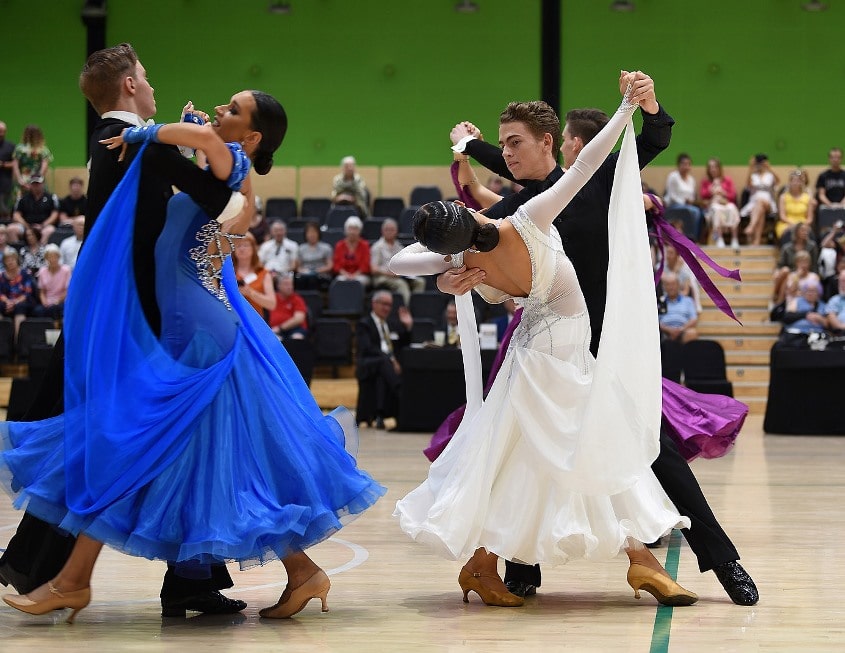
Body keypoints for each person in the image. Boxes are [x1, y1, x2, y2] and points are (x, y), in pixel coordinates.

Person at [0, 88, 385, 622]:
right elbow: (217, 187)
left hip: (195, 324)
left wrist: (140, 134)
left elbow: (203, 143)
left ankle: (72, 581)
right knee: (181, 451)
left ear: (251, 135)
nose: (219, 112)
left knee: (137, 437)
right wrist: (185, 147)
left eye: (233, 110)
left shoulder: (231, 157)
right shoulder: (225, 169)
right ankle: (300, 570)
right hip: (197, 318)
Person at [441, 72, 757, 606]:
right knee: (533, 450)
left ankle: (723, 560)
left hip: (609, 348)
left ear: (550, 144)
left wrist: (647, 101)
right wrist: (455, 274)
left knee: (655, 452)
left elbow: (653, 137)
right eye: (505, 146)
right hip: (553, 350)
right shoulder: (513, 212)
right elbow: (466, 248)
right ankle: (523, 565)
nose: (509, 155)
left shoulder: (595, 178)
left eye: (517, 143)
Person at [393, 76, 698, 610]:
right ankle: (638, 561)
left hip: (539, 353)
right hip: (556, 354)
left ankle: (486, 563)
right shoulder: (525, 220)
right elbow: (584, 166)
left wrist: (444, 274)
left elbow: (400, 262)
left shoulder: (470, 258)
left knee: (519, 459)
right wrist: (625, 109)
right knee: (589, 448)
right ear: (465, 216)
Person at [0, 43, 244, 618]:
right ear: (130, 85)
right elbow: (216, 195)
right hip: (136, 317)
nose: (154, 86)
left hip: (113, 312)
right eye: (148, 77)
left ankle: (176, 577)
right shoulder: (133, 141)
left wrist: (180, 135)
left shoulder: (114, 140)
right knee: (126, 438)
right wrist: (202, 141)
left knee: (135, 437)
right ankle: (59, 571)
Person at [355, 290, 413, 430]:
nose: (387, 308)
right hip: (368, 363)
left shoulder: (391, 324)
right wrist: (390, 360)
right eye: (384, 304)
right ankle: (399, 389)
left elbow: (403, 344)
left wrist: (408, 327)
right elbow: (367, 348)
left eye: (389, 305)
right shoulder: (364, 324)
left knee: (383, 373)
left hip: (384, 367)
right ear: (374, 304)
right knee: (383, 362)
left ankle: (380, 415)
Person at [370, 217, 424, 305]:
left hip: (398, 276)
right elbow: (374, 269)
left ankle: (417, 306)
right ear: (382, 231)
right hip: (382, 277)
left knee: (420, 282)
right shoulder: (377, 247)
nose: (389, 232)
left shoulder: (399, 247)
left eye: (392, 230)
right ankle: (406, 309)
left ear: (396, 231)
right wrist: (389, 274)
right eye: (387, 230)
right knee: (402, 284)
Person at [664, 153, 705, 242]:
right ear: (679, 165)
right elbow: (672, 196)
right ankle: (689, 238)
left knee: (700, 212)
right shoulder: (673, 176)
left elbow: (692, 196)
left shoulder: (691, 179)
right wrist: (684, 202)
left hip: (688, 206)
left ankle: (695, 238)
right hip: (673, 206)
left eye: (688, 164)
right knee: (692, 211)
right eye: (684, 164)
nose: (686, 166)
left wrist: (691, 201)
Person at [233, 231, 276, 317]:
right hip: (234, 318)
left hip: (256, 320)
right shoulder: (229, 273)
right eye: (238, 245)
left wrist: (251, 293)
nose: (242, 249)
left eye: (245, 245)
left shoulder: (263, 273)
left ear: (253, 248)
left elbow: (272, 304)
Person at [700, 157, 740, 248]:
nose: (713, 169)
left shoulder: (727, 180)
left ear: (719, 168)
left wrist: (723, 192)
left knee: (732, 208)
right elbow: (703, 195)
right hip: (713, 205)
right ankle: (719, 238)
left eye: (715, 167)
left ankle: (734, 239)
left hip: (726, 203)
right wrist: (711, 191)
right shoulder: (706, 182)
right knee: (716, 209)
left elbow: (733, 195)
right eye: (710, 167)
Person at [740, 153, 779, 245]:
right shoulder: (753, 176)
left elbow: (778, 181)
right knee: (760, 210)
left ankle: (751, 226)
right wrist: (750, 167)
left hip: (768, 203)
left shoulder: (770, 175)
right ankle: (756, 241)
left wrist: (769, 168)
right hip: (754, 203)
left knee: (760, 202)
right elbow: (748, 185)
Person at [12, 175, 59, 243]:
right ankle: (18, 250)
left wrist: (42, 225)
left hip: (44, 226)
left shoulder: (51, 197)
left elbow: (55, 215)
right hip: (26, 225)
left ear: (43, 184)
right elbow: (16, 215)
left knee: (49, 230)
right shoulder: (23, 198)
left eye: (38, 184)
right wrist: (26, 225)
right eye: (34, 184)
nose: (36, 186)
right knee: (12, 229)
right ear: (30, 185)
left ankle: (40, 250)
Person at [0, 247, 35, 337]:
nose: (10, 262)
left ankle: (17, 340)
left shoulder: (25, 273)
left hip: (22, 301)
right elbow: (1, 293)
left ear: (17, 260)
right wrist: (8, 302)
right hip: (6, 302)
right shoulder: (1, 275)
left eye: (12, 259)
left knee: (20, 307)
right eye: (7, 260)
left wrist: (14, 302)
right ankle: (3, 339)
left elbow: (27, 292)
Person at [12, 125, 52, 200]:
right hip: (35, 179)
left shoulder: (20, 148)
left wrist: (19, 180)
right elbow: (44, 166)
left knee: (21, 202)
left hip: (25, 178)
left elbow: (15, 165)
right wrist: (38, 180)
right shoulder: (42, 149)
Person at [658, 272, 699, 344]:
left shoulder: (688, 301)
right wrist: (668, 330)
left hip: (683, 331)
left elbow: (694, 319)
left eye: (673, 284)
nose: (671, 287)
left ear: (678, 285)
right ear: (664, 287)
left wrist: (681, 330)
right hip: (665, 332)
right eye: (668, 284)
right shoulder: (660, 302)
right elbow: (656, 321)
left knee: (692, 333)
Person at [33, 244, 71, 320]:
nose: (52, 259)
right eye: (50, 257)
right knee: (38, 310)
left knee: (57, 309)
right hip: (48, 301)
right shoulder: (42, 271)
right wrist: (44, 302)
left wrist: (57, 301)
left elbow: (67, 290)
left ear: (59, 257)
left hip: (61, 301)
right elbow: (42, 291)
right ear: (46, 258)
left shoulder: (66, 270)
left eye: (55, 257)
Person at [776, 169, 815, 243]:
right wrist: (793, 225)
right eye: (793, 181)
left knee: (808, 233)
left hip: (803, 222)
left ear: (801, 183)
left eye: (797, 181)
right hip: (787, 223)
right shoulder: (783, 197)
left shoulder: (807, 197)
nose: (795, 183)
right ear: (789, 182)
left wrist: (802, 225)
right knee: (787, 233)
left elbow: (810, 218)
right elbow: (782, 216)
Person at [332, 215, 371, 286]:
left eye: (355, 229)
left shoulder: (365, 245)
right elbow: (337, 265)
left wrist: (354, 276)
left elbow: (365, 265)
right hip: (343, 275)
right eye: (350, 229)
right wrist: (346, 275)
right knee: (340, 280)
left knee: (359, 281)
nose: (352, 232)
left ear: (360, 231)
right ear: (346, 230)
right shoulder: (339, 245)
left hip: (360, 275)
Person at [269, 272, 308, 339]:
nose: (289, 287)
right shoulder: (273, 299)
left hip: (295, 329)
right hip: (275, 329)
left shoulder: (297, 299)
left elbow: (299, 318)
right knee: (275, 340)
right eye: (286, 284)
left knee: (296, 338)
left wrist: (280, 328)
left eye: (291, 284)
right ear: (278, 286)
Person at [295, 220, 333, 290]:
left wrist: (317, 271)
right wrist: (304, 271)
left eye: (314, 232)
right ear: (305, 234)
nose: (312, 235)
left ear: (318, 233)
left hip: (320, 274)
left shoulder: (326, 247)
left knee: (313, 279)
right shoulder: (301, 248)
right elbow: (298, 267)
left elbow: (329, 265)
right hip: (305, 273)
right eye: (309, 232)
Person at [815, 147, 845, 212]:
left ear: (841, 159)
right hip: (827, 206)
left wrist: (841, 205)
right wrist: (830, 205)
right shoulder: (823, 176)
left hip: (843, 206)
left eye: (838, 157)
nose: (835, 160)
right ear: (829, 159)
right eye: (833, 157)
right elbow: (821, 195)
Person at [0, 121, 15, 220]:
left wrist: (3, 164)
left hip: (5, 183)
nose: (0, 134)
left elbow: (16, 164)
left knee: (5, 210)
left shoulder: (11, 146)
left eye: (2, 131)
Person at [824, 269, 845, 334]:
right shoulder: (834, 300)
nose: (842, 284)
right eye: (840, 281)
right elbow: (834, 324)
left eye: (844, 281)